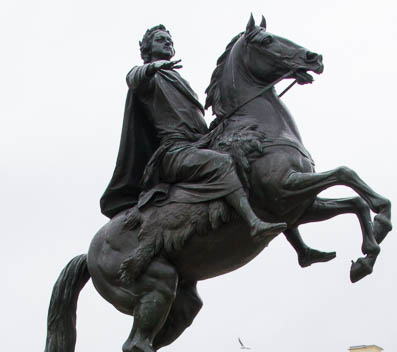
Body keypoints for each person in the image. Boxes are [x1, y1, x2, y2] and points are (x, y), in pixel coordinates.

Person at [100, 25, 287, 241]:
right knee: (222, 163)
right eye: (161, 40)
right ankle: (253, 223)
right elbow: (133, 78)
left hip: (198, 144)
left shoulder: (180, 81)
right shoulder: (150, 79)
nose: (168, 43)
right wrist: (153, 67)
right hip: (174, 152)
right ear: (147, 49)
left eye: (169, 40)